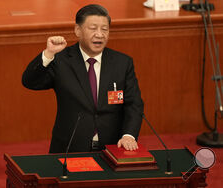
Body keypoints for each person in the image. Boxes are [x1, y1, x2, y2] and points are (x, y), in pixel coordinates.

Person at [22, 4, 144, 153]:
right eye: (93, 28)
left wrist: (128, 135)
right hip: (70, 148)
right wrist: (48, 54)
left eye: (104, 29)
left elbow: (134, 104)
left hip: (112, 147)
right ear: (78, 30)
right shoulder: (61, 61)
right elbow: (30, 82)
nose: (100, 34)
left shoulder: (122, 63)